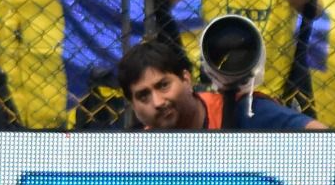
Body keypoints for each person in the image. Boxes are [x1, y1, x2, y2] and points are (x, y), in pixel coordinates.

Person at [119, 38, 321, 130]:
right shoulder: (135, 149)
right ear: (133, 107)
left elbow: (325, 138)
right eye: (143, 96)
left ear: (186, 80)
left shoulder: (243, 110)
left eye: (163, 85)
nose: (158, 101)